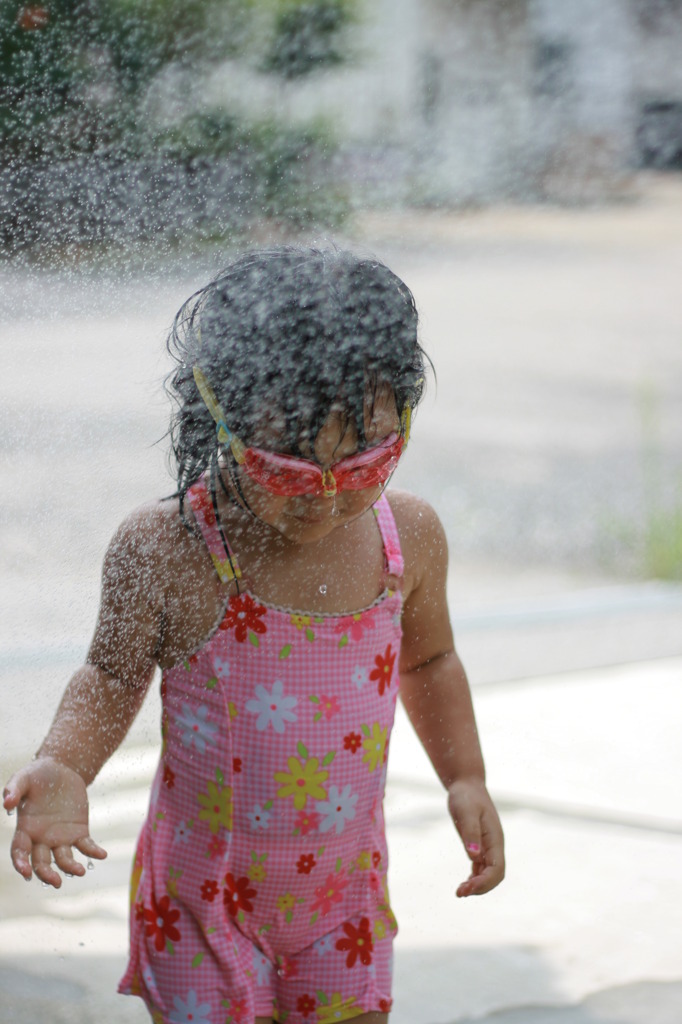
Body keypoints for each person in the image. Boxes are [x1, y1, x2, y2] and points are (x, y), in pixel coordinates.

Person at [3, 247, 504, 1024]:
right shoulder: (166, 550)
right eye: (290, 468)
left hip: (344, 897)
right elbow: (109, 676)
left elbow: (430, 659)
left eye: (367, 453)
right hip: (203, 902)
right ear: (218, 416)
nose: (327, 495)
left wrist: (464, 776)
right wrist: (66, 760)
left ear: (402, 415)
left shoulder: (409, 537)